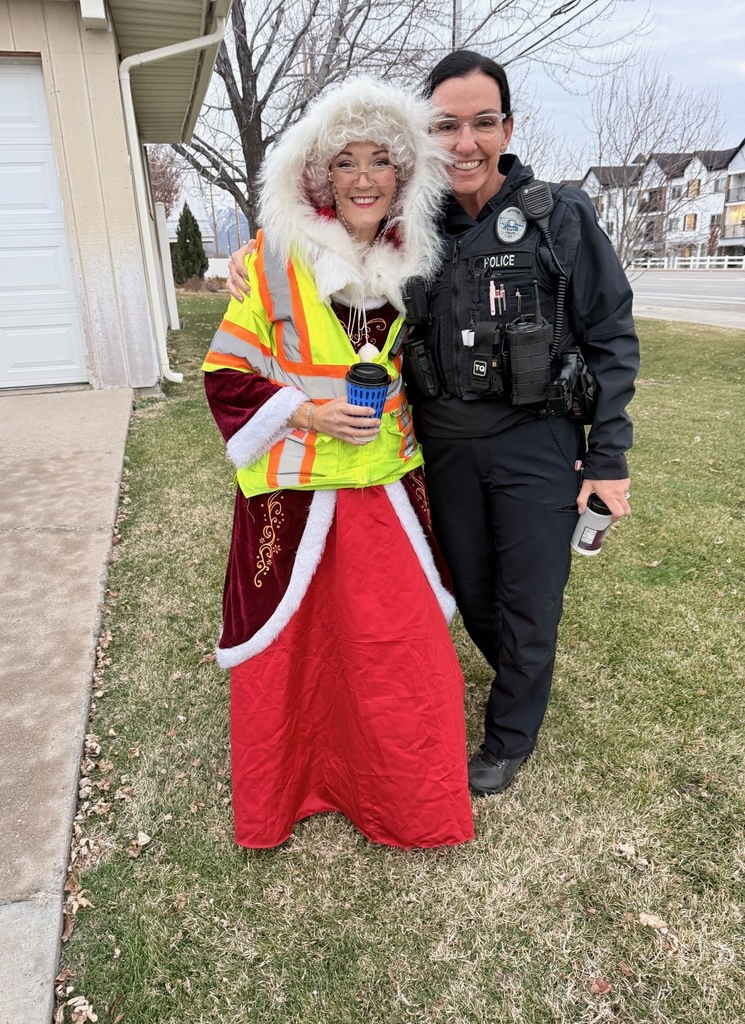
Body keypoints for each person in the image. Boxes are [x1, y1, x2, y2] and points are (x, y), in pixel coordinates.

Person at [226, 53, 640, 799]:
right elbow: (321, 243)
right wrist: (250, 253)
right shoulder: (412, 225)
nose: (466, 142)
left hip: (536, 442)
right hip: (439, 445)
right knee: (471, 588)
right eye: (446, 125)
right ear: (426, 134)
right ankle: (514, 671)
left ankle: (510, 736)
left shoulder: (561, 217)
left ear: (507, 128)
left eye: (484, 123)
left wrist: (608, 459)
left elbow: (611, 336)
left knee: (530, 596)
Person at [203, 77, 474, 849]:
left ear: (403, 175)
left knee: (398, 657)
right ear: (318, 176)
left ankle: (405, 801)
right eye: (345, 163)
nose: (362, 179)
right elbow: (226, 374)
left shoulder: (416, 261)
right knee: (292, 658)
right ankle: (286, 795)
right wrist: (308, 411)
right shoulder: (268, 260)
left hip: (384, 490)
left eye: (380, 162)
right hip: (293, 496)